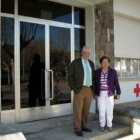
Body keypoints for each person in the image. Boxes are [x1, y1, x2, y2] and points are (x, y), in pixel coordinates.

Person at [68, 46, 95, 137]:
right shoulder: (75, 63)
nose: (87, 54)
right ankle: (77, 128)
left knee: (86, 110)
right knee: (78, 110)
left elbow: (93, 77)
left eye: (88, 53)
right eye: (85, 52)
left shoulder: (91, 63)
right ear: (81, 53)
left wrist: (94, 90)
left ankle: (84, 126)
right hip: (79, 89)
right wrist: (74, 88)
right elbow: (70, 77)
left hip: (89, 89)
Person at [94, 56, 121, 132]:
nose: (105, 64)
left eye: (106, 62)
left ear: (109, 63)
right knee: (101, 110)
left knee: (109, 110)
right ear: (101, 63)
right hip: (100, 93)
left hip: (110, 93)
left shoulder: (113, 72)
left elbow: (116, 83)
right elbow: (95, 84)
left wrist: (118, 93)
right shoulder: (97, 72)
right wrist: (95, 93)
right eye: (103, 62)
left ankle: (109, 125)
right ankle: (102, 125)